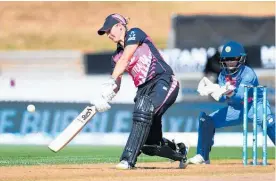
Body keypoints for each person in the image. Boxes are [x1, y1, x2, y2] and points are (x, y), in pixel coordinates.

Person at [93, 13, 189, 169]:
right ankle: (179, 151)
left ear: (119, 26)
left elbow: (126, 59)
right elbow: (116, 85)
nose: (108, 35)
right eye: (106, 33)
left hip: (163, 81)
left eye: (109, 30)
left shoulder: (134, 34)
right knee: (149, 145)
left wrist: (109, 81)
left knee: (143, 109)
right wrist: (105, 97)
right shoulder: (115, 57)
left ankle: (127, 160)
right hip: (144, 90)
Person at [189, 41, 275, 164]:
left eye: (232, 58)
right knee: (206, 120)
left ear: (241, 58)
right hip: (235, 109)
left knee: (269, 121)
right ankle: (202, 156)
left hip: (255, 106)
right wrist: (215, 91)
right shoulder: (222, 75)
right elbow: (224, 100)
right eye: (226, 59)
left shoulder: (248, 73)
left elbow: (241, 95)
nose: (229, 62)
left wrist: (226, 91)